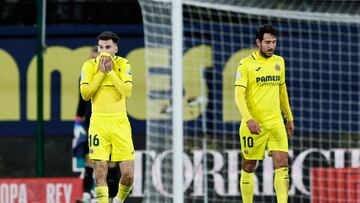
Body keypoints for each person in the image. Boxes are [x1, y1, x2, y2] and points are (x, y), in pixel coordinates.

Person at [234, 24, 295, 203]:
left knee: (282, 163)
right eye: (267, 42)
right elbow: (238, 95)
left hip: (276, 122)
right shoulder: (246, 64)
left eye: (274, 42)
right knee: (249, 166)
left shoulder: (279, 62)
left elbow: (282, 91)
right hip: (254, 125)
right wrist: (248, 119)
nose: (271, 46)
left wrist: (289, 117)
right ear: (258, 42)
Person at [80, 31, 135, 203]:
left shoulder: (124, 64)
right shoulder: (89, 66)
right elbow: (85, 94)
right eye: (101, 47)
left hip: (120, 122)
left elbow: (127, 91)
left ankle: (118, 200)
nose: (103, 51)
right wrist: (101, 73)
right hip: (98, 123)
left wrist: (110, 72)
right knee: (100, 169)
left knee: (128, 175)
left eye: (108, 47)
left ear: (115, 48)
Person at [73, 46, 120, 202]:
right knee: (90, 159)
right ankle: (86, 195)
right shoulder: (85, 75)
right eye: (91, 59)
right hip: (91, 123)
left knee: (111, 162)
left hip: (110, 122)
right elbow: (81, 99)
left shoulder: (113, 74)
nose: (92, 61)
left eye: (96, 58)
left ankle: (113, 197)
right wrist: (78, 120)